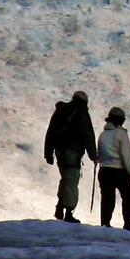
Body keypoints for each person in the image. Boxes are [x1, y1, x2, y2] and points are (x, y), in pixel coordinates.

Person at [43, 91, 97, 222]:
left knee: (65, 179)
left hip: (59, 152)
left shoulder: (60, 111)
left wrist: (48, 154)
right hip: (73, 152)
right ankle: (68, 213)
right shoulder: (82, 113)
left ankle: (60, 206)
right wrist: (93, 156)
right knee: (71, 181)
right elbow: (88, 136)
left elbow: (50, 132)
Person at [96, 107, 130, 232]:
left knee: (107, 198)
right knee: (128, 196)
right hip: (119, 171)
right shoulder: (121, 134)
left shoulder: (102, 135)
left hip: (104, 171)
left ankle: (105, 222)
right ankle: (128, 223)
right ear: (121, 120)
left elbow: (100, 154)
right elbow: (126, 155)